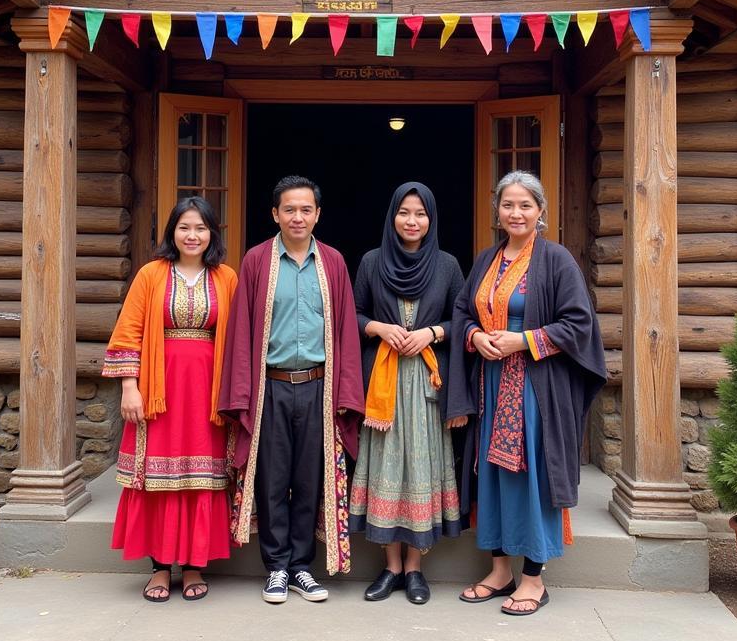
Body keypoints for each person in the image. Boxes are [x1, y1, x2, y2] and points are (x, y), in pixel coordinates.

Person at [451, 171, 606, 616]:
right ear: (496, 210)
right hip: (492, 386)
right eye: (507, 205)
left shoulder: (556, 261)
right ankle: (500, 571)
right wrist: (475, 337)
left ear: (540, 212)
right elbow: (463, 311)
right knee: (494, 479)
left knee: (532, 474)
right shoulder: (486, 260)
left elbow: (579, 324)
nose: (515, 213)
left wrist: (524, 340)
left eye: (525, 205)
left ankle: (534, 578)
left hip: (538, 388)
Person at [218, 175, 364, 605]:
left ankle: (302, 567)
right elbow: (242, 329)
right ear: (274, 214)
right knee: (272, 477)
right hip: (271, 388)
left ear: (318, 214)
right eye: (289, 209)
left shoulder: (333, 262)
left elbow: (344, 332)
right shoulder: (257, 261)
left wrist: (344, 394)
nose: (297, 217)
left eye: (305, 209)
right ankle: (276, 568)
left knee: (308, 478)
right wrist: (242, 392)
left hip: (318, 387)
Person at [102, 196, 237, 603]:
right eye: (184, 227)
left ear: (212, 233)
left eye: (200, 228)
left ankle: (195, 565)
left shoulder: (226, 277)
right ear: (172, 232)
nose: (192, 235)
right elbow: (129, 331)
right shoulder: (151, 275)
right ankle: (160, 568)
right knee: (158, 479)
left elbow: (239, 342)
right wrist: (130, 386)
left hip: (207, 395)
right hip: (158, 392)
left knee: (201, 477)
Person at [350, 182, 469, 604]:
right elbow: (354, 313)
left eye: (420, 214)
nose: (412, 221)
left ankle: (416, 570)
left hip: (426, 385)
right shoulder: (371, 262)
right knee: (386, 466)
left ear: (431, 220)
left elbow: (465, 321)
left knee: (420, 469)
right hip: (381, 386)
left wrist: (431, 332)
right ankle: (391, 567)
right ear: (392, 217)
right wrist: (379, 328)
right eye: (404, 212)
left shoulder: (448, 266)